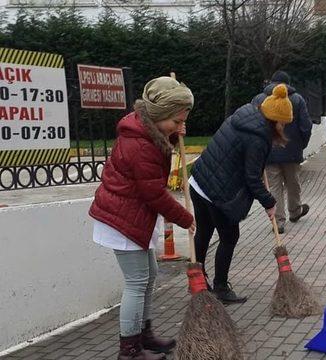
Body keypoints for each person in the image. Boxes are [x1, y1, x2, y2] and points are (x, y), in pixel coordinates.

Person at [89, 76, 196, 360]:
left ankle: (143, 336)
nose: (179, 126)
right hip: (122, 219)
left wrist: (172, 134)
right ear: (159, 115)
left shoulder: (148, 133)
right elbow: (154, 194)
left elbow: (159, 154)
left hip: (133, 215)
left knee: (149, 277)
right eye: (176, 121)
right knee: (137, 282)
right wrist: (185, 218)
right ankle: (130, 350)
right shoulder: (141, 145)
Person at [189, 84, 291, 304]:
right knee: (229, 237)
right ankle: (221, 287)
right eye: (283, 123)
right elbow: (252, 178)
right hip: (217, 191)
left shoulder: (246, 114)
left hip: (198, 181)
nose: (284, 127)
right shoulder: (258, 138)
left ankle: (197, 282)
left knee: (204, 232)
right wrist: (269, 202)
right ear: (275, 120)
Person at [252, 71, 312, 234]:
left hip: (268, 150)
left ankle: (278, 221)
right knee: (293, 182)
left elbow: (253, 123)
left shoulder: (259, 99)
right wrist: (301, 145)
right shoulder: (297, 99)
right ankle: (295, 211)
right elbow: (306, 125)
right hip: (292, 149)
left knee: (274, 186)